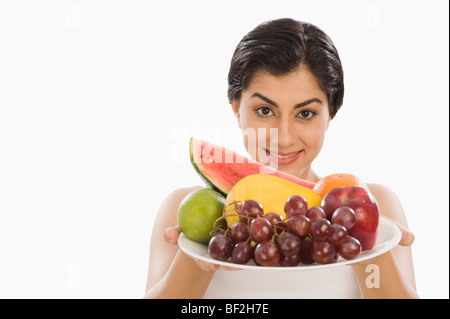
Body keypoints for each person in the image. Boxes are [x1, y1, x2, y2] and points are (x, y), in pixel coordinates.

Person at [143, 18, 418, 299]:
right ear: (237, 109)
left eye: (306, 113)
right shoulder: (186, 212)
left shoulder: (376, 204)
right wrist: (195, 259)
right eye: (264, 111)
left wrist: (372, 246)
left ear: (330, 115)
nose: (284, 137)